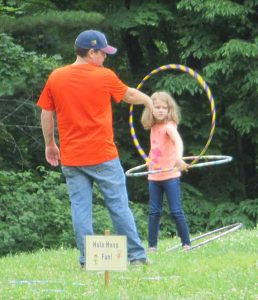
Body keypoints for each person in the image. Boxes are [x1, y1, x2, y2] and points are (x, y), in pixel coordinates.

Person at [37, 29, 153, 267]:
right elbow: (128, 94)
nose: (105, 57)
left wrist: (50, 144)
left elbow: (46, 114)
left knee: (80, 210)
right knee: (119, 205)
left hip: (71, 158)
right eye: (103, 53)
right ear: (91, 52)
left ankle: (87, 261)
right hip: (103, 156)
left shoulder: (56, 77)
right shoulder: (104, 76)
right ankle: (137, 258)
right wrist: (149, 101)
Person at [141, 91, 191, 252]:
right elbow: (156, 149)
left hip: (170, 175)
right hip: (154, 176)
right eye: (157, 107)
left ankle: (186, 244)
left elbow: (178, 141)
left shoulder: (169, 126)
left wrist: (179, 158)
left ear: (169, 110)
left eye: (164, 107)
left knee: (176, 210)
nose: (161, 110)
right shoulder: (154, 127)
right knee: (154, 212)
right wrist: (149, 160)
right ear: (151, 109)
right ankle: (152, 246)